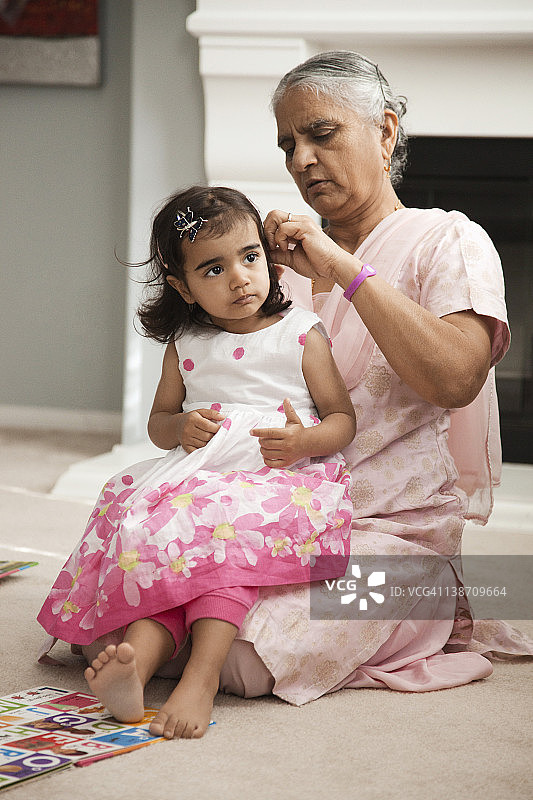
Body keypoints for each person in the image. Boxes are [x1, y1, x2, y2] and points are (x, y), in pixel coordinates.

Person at [183, 49, 532, 704]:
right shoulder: (273, 268)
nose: (300, 161)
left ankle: (421, 609)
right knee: (130, 600)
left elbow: (456, 377)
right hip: (278, 519)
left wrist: (341, 267)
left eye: (320, 134)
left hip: (394, 537)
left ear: (385, 131)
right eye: (288, 144)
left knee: (247, 656)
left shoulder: (447, 240)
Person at [37, 185, 356, 739]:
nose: (240, 278)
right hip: (198, 476)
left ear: (268, 256)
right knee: (156, 532)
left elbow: (340, 420)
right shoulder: (185, 342)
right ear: (182, 287)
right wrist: (180, 427)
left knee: (219, 543)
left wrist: (303, 443)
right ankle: (135, 660)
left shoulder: (300, 334)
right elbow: (160, 424)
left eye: (251, 257)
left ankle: (201, 678)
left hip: (272, 477)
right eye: (213, 269)